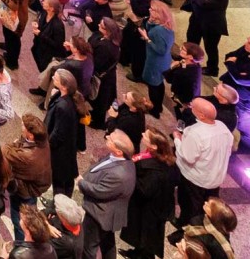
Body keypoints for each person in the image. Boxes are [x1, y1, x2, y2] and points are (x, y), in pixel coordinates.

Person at [75, 129, 137, 259]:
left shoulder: (119, 174)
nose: (107, 137)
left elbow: (99, 191)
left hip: (101, 214)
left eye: (111, 139)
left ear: (119, 151)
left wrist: (81, 183)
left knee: (88, 247)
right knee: (108, 243)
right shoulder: (117, 158)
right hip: (108, 213)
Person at [121, 128, 179, 259]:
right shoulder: (166, 159)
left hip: (151, 209)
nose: (142, 134)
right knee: (144, 236)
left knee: (146, 237)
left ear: (154, 146)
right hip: (156, 206)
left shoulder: (154, 171)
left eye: (146, 136)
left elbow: (144, 190)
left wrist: (131, 175)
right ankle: (137, 253)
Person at [175, 97, 234, 225]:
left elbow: (188, 157)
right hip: (215, 179)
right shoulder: (222, 127)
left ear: (201, 115)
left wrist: (177, 140)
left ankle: (185, 227)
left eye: (193, 107)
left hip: (196, 180)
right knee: (207, 206)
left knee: (189, 205)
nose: (190, 107)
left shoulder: (196, 133)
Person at [5, 114, 52, 240]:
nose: (21, 127)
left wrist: (14, 144)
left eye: (23, 126)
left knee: (20, 224)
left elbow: (5, 151)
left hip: (23, 193)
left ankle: (21, 245)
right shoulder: (43, 143)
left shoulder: (28, 156)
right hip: (33, 189)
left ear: (31, 135)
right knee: (30, 217)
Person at [183, 0, 229, 76]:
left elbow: (204, 4)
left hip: (211, 25)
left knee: (210, 47)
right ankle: (188, 58)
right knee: (191, 40)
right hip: (197, 18)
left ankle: (212, 69)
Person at [45, 69, 83, 196]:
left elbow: (58, 133)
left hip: (60, 152)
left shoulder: (63, 106)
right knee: (65, 179)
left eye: (55, 78)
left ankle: (60, 203)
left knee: (59, 181)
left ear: (64, 86)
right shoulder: (65, 98)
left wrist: (47, 145)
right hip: (67, 149)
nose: (53, 78)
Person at [142, 0, 176, 116]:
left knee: (153, 87)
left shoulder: (158, 31)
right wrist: (150, 21)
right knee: (159, 84)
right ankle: (158, 106)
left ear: (158, 13)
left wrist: (147, 39)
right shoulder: (165, 25)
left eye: (152, 9)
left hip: (156, 62)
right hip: (163, 61)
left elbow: (161, 50)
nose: (149, 10)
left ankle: (154, 109)